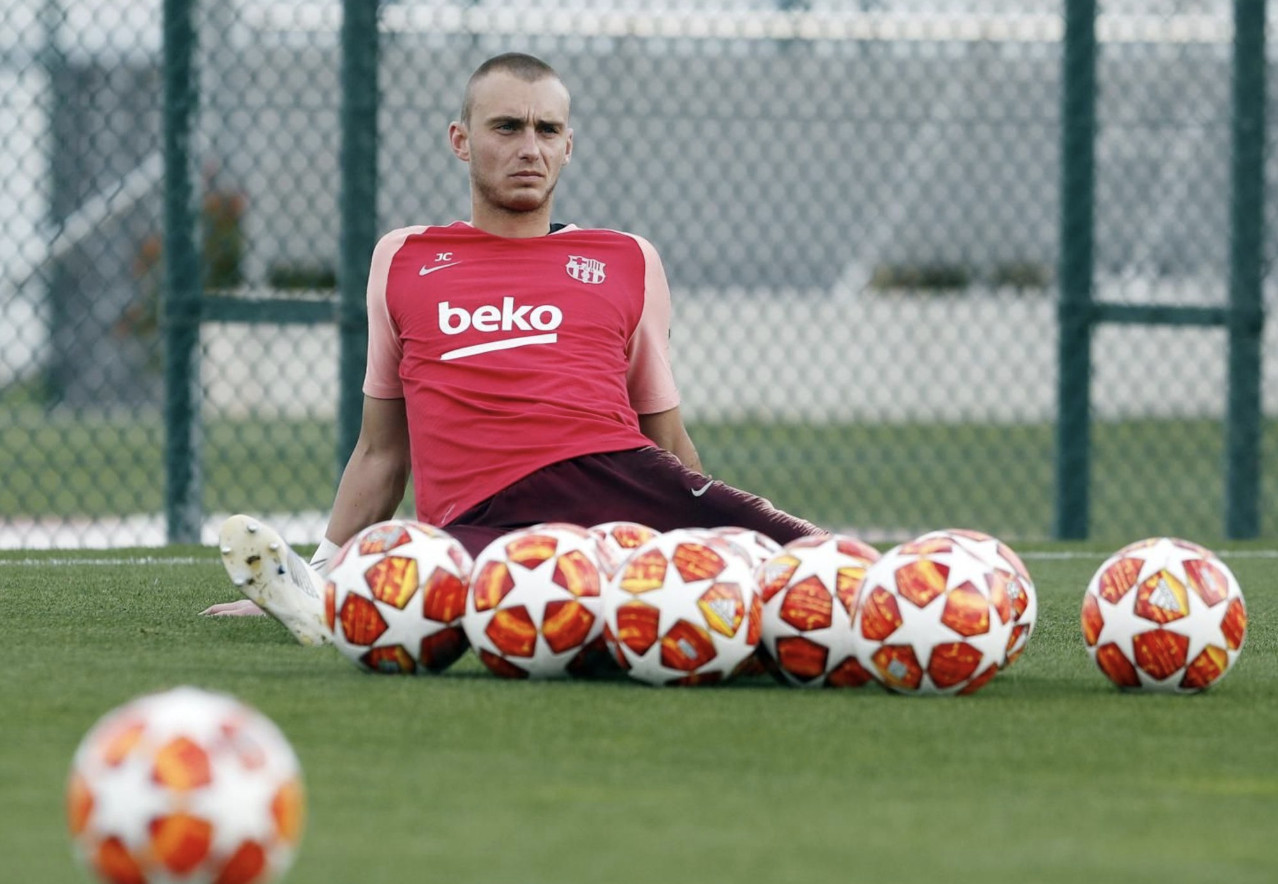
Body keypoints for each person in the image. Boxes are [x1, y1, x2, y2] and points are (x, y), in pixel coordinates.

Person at [205, 52, 825, 644]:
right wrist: (320, 567)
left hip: (617, 478)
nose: (530, 147)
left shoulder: (627, 258)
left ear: (568, 146)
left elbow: (664, 440)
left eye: (547, 129)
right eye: (507, 126)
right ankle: (321, 591)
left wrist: (705, 513)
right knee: (418, 578)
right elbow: (380, 451)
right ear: (461, 140)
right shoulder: (403, 258)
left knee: (817, 567)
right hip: (481, 519)